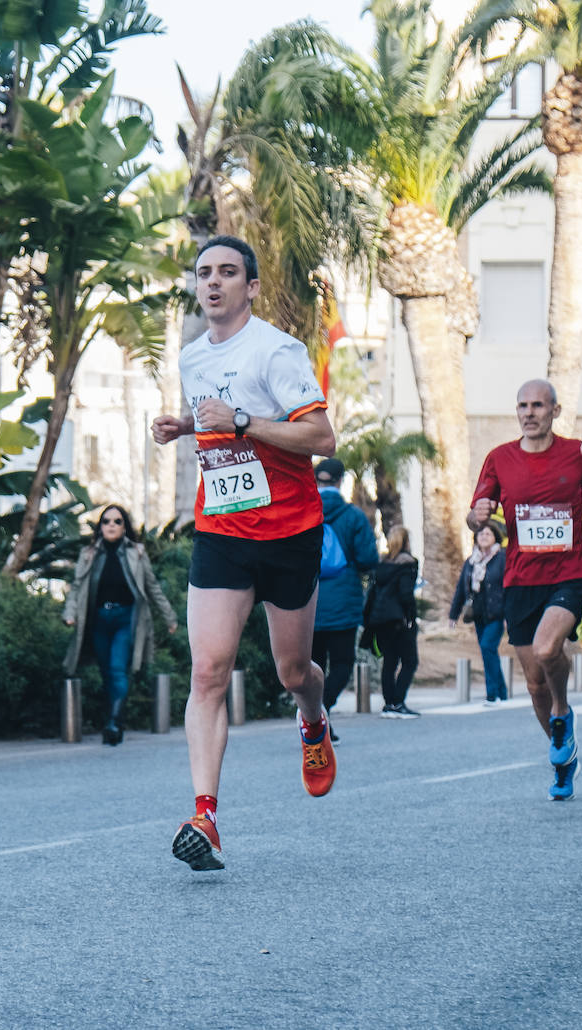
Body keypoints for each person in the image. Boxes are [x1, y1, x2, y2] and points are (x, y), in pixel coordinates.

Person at [151, 235, 338, 873]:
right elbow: (217, 426)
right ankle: (205, 815)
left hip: (289, 531)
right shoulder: (191, 356)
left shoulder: (278, 351)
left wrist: (241, 424)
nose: (213, 283)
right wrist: (189, 428)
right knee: (208, 672)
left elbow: (321, 436)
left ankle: (313, 719)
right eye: (204, 273)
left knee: (292, 672)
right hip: (224, 530)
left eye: (228, 272)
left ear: (251, 287)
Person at [470, 379, 582, 801]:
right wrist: (476, 516)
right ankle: (562, 755)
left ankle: (562, 712)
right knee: (533, 683)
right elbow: (475, 515)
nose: (529, 412)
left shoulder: (576, 452)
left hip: (568, 572)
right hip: (520, 579)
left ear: (555, 410)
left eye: (538, 405)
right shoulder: (499, 459)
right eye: (522, 406)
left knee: (549, 648)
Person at [62, 504, 178, 745]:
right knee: (106, 673)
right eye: (106, 521)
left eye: (117, 521)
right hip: (98, 620)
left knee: (117, 668)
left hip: (126, 618)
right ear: (100, 526)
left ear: (125, 526)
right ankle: (115, 718)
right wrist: (69, 613)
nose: (111, 525)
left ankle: (114, 722)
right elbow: (76, 587)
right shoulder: (89, 554)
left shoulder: (137, 553)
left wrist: (170, 617)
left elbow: (152, 586)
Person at [311, 457, 378, 742]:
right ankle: (319, 712)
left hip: (307, 601)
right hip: (343, 601)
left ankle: (311, 715)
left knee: (312, 665)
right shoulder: (354, 516)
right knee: (341, 662)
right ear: (340, 481)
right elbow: (367, 559)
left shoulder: (303, 512)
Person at [448, 520, 508, 703]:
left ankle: (492, 693)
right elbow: (460, 589)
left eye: (488, 534)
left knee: (487, 647)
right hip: (478, 613)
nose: (484, 536)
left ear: (495, 537)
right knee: (487, 651)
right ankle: (502, 692)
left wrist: (510, 614)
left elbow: (510, 586)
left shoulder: (502, 558)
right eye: (481, 534)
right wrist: (453, 614)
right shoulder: (471, 561)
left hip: (497, 613)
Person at [364, 526, 420, 718]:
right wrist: (411, 617)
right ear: (405, 541)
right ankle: (398, 701)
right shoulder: (408, 564)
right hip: (399, 618)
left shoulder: (381, 564)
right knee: (410, 661)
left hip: (380, 619)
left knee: (389, 662)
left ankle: (389, 704)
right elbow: (406, 594)